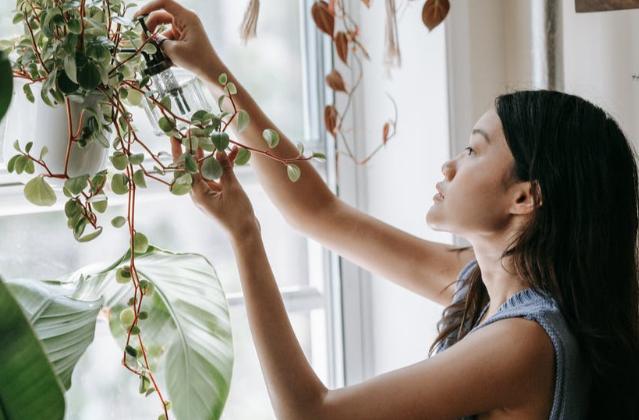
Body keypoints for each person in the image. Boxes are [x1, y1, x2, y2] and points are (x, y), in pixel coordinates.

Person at [134, 1, 639, 418]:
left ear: (524, 197)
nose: (448, 167)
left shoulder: (522, 343)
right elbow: (319, 211)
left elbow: (310, 414)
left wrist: (245, 234)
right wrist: (211, 71)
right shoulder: (486, 286)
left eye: (473, 149)